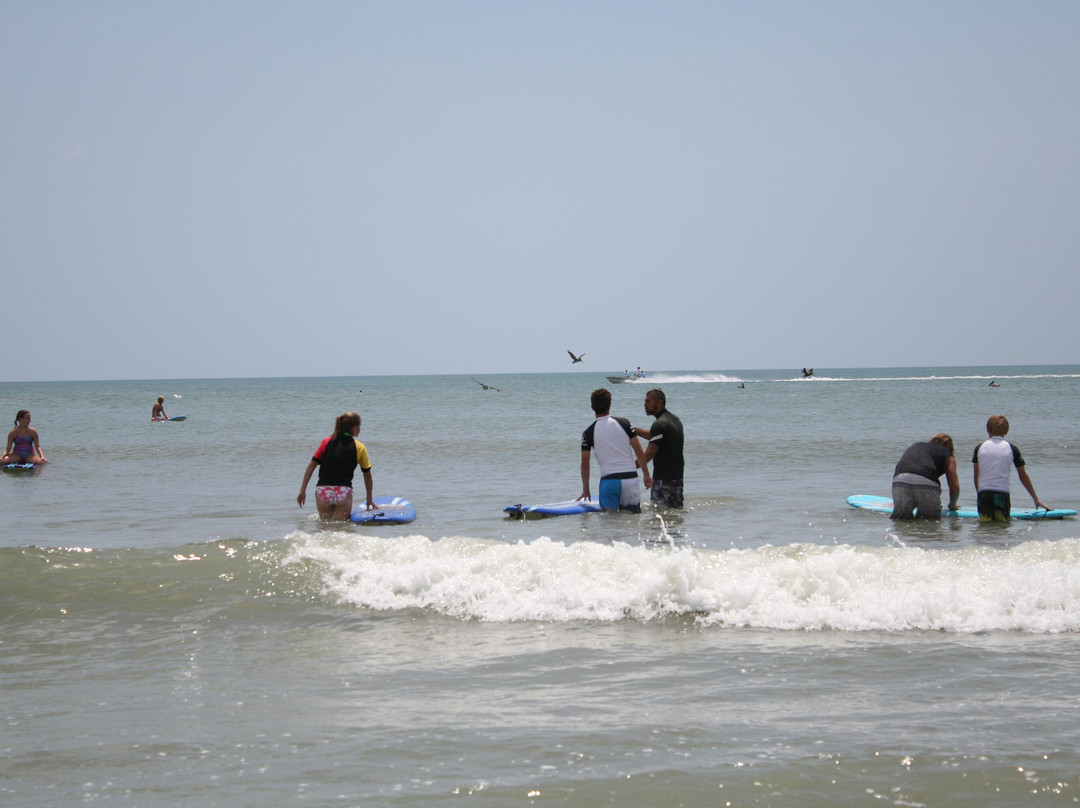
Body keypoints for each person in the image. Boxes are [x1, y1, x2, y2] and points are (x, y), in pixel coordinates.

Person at [578, 388, 652, 512]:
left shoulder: (588, 433)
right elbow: (638, 449)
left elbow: (585, 464)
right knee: (633, 522)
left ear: (592, 406)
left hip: (609, 482)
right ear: (610, 405)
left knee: (609, 523)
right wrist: (647, 475)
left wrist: (586, 489)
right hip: (630, 480)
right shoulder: (625, 423)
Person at [297, 411, 376, 521]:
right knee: (342, 529)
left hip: (323, 491)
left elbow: (311, 467)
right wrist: (369, 499)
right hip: (343, 492)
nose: (360, 429)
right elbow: (367, 476)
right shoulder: (359, 447)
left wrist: (302, 491)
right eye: (359, 426)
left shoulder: (326, 442)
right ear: (354, 427)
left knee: (324, 529)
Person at [972, 414, 1049, 521]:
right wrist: (1036, 499)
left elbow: (976, 476)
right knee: (1002, 528)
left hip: (984, 494)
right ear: (1006, 431)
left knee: (985, 527)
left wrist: (979, 495)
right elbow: (1023, 477)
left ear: (988, 429)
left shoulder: (979, 448)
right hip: (1001, 494)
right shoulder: (1012, 448)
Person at [633, 389, 685, 509]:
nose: (644, 404)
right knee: (675, 517)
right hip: (677, 479)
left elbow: (649, 454)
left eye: (648, 401)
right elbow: (656, 437)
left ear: (659, 403)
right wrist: (634, 430)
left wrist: (629, 468)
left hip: (662, 480)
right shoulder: (675, 420)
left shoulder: (659, 424)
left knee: (658, 519)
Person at [890, 434, 960, 519]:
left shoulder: (917, 446)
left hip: (900, 479)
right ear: (950, 447)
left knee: (900, 519)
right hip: (925, 481)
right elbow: (954, 487)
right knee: (929, 521)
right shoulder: (948, 455)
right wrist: (952, 505)